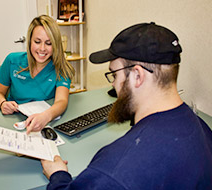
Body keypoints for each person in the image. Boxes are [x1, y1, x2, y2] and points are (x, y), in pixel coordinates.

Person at [41, 22, 212, 189]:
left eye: (114, 75)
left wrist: (58, 175)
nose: (113, 85)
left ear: (137, 76)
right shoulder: (203, 129)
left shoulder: (115, 171)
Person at [0, 15, 75, 134]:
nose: (42, 49)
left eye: (48, 43)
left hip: (44, 121)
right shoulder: (12, 61)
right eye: (37, 42)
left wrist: (46, 116)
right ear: (30, 40)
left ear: (56, 45)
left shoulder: (61, 68)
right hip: (13, 120)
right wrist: (2, 103)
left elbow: (61, 101)